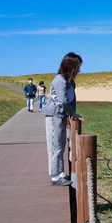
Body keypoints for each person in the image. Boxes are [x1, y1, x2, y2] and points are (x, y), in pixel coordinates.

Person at [42, 52, 84, 186]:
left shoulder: (70, 82)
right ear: (70, 67)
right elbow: (63, 100)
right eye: (77, 67)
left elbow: (72, 100)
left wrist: (72, 113)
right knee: (56, 146)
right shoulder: (59, 80)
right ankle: (55, 176)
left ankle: (60, 172)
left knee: (61, 144)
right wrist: (72, 113)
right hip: (54, 115)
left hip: (62, 115)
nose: (79, 70)